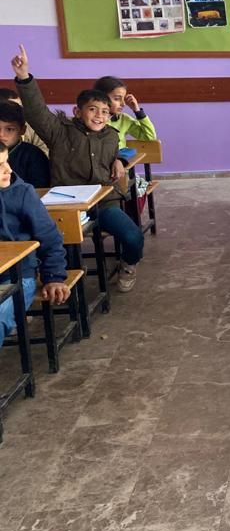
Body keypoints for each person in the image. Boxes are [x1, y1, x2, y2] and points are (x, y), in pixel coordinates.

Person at [12, 45, 145, 293]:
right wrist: (24, 77)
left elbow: (125, 150)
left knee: (133, 237)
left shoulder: (111, 135)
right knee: (55, 244)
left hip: (103, 203)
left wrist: (120, 159)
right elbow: (37, 112)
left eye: (105, 112)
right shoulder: (59, 132)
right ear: (77, 111)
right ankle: (63, 277)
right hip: (67, 205)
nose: (99, 116)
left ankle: (128, 264)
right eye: (92, 110)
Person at [0, 142, 69, 340]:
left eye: (7, 161)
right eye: (0, 165)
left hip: (19, 277)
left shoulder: (22, 193)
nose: (8, 170)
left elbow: (50, 238)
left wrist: (54, 277)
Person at [93, 76, 157, 148]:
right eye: (117, 99)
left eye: (123, 99)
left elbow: (149, 136)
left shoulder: (124, 119)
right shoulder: (90, 120)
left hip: (119, 155)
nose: (123, 104)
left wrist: (138, 112)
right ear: (100, 98)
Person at [0, 101, 48, 188]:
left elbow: (39, 189)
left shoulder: (34, 155)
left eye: (9, 129)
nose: (1, 134)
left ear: (23, 130)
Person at [0, 88, 48, 155]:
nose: (18, 111)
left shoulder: (34, 127)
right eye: (11, 108)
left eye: (20, 107)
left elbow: (44, 152)